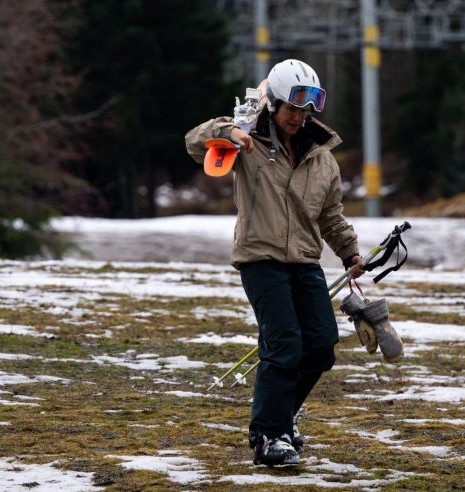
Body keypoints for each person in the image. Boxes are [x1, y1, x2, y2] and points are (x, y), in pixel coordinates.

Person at [185, 59, 364, 466]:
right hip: (260, 258)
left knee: (320, 347)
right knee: (284, 345)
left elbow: (331, 216)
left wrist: (350, 251)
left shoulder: (322, 158)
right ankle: (268, 437)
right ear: (274, 104)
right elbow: (194, 142)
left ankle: (282, 417)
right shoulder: (248, 142)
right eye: (291, 109)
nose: (298, 118)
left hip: (304, 260)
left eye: (305, 111)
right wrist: (227, 131)